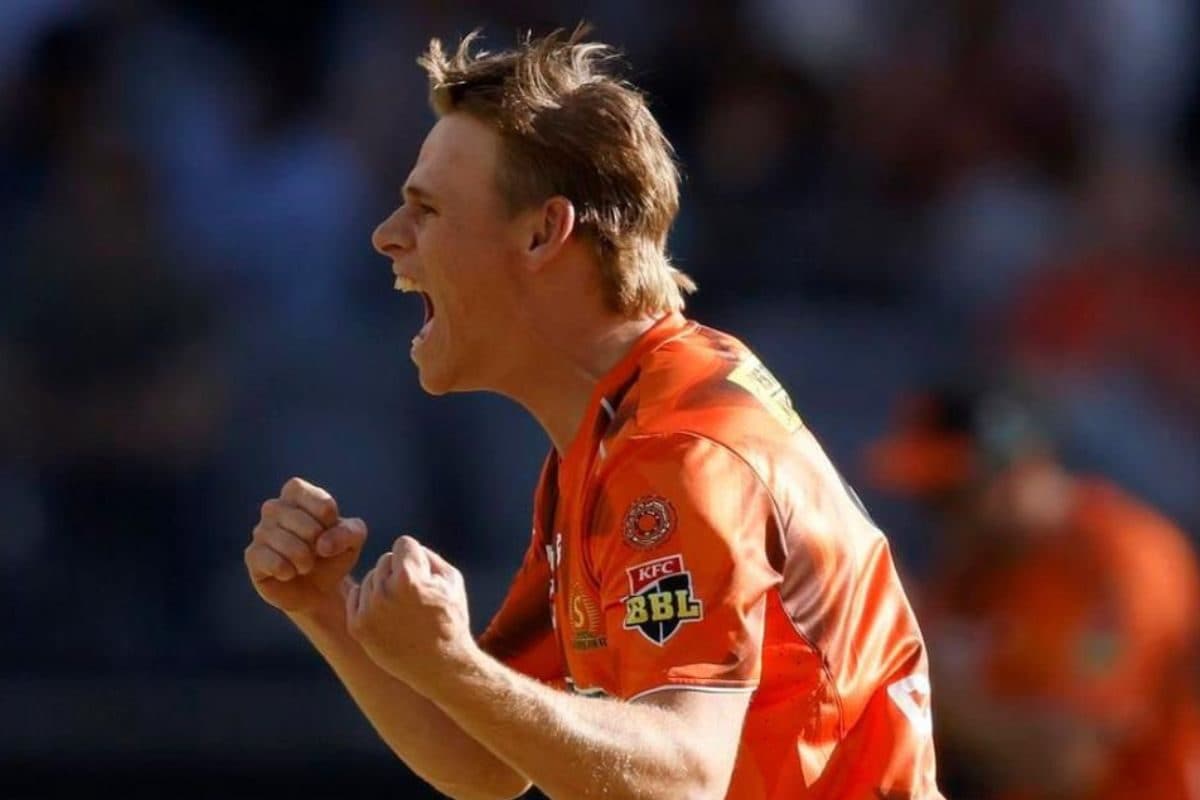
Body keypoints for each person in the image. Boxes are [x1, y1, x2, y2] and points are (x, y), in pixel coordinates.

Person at [243, 28, 943, 800]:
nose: (386, 237)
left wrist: (454, 665)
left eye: (427, 209)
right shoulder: (615, 432)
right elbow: (487, 760)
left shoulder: (679, 450)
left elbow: (682, 779)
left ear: (543, 232)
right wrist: (329, 609)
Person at [865, 382, 1200, 800]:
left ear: (1019, 471)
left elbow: (1068, 761)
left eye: (954, 496)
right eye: (930, 501)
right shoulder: (976, 568)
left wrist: (918, 667)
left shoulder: (1123, 561)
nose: (944, 518)